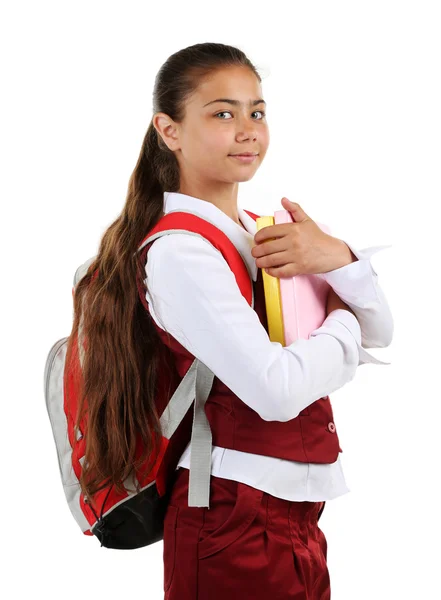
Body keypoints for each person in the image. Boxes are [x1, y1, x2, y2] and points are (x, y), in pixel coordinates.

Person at [69, 42, 393, 599]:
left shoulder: (259, 228)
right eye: (223, 113)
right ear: (169, 130)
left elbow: (382, 331)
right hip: (231, 516)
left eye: (256, 112)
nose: (247, 130)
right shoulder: (180, 253)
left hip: (295, 513)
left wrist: (338, 257)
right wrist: (342, 321)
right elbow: (276, 389)